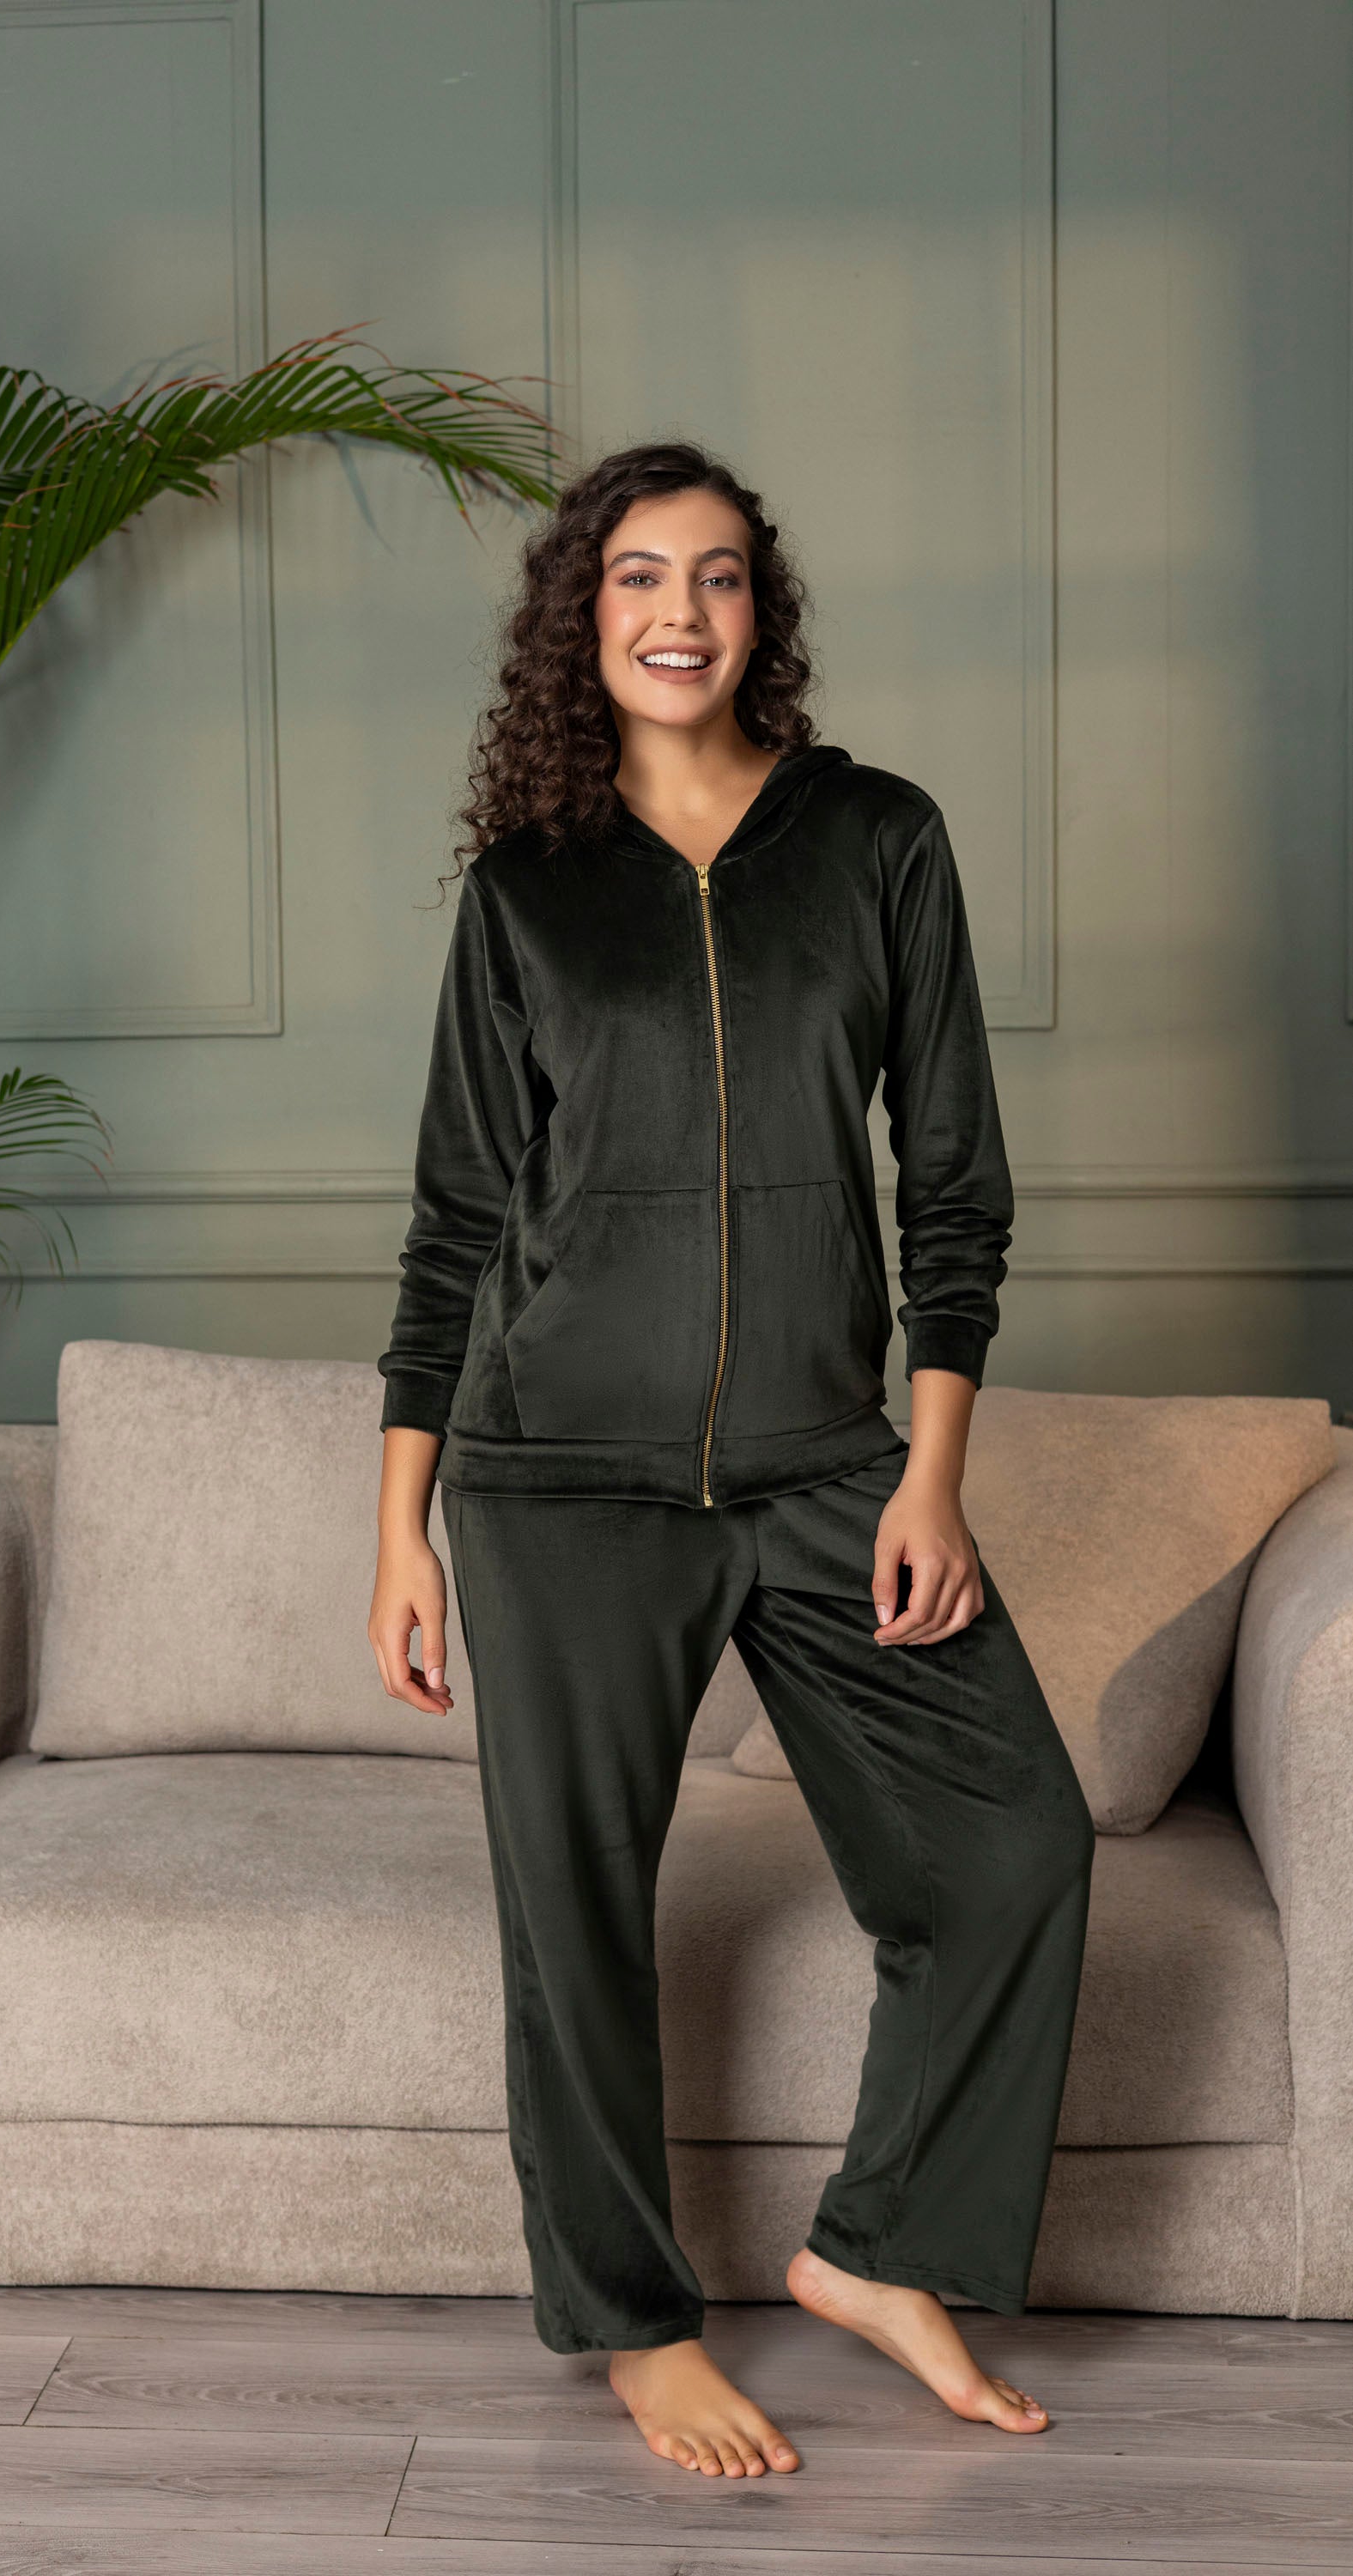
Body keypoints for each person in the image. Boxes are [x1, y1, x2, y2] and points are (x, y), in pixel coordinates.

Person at [367, 439, 1096, 2481]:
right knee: (575, 1911)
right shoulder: (527, 891)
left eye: (712, 576)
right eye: (634, 577)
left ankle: (878, 2251)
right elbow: (449, 1226)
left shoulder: (873, 841)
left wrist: (927, 1477)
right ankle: (632, 2327)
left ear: (757, 612)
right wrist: (400, 1525)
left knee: (1011, 1845)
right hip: (550, 1479)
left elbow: (951, 1191)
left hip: (820, 1466)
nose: (675, 611)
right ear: (578, 619)